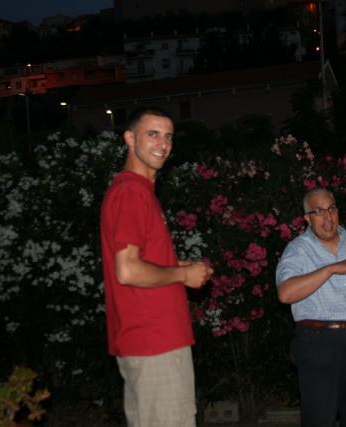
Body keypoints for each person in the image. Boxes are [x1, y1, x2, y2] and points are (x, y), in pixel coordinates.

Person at [100, 107, 213, 427]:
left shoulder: (138, 191)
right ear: (129, 138)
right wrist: (183, 274)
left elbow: (137, 260)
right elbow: (128, 270)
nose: (163, 144)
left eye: (168, 136)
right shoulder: (131, 192)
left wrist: (177, 265)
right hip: (154, 341)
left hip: (151, 342)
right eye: (152, 134)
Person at [275, 188, 346, 427]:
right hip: (319, 341)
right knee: (319, 417)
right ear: (308, 218)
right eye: (319, 211)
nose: (328, 217)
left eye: (331, 209)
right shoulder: (298, 250)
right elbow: (285, 293)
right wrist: (331, 269)